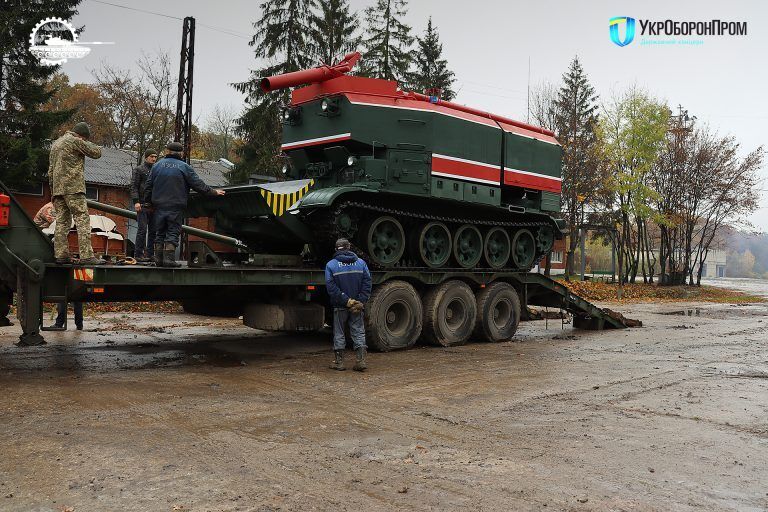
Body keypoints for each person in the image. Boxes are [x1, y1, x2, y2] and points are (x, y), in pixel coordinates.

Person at [145, 141, 225, 267]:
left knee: (159, 231)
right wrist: (214, 192)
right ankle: (169, 259)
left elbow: (148, 186)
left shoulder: (157, 166)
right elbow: (198, 185)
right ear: (181, 153)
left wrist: (148, 203)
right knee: (172, 231)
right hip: (175, 206)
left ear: (167, 152)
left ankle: (158, 259)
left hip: (159, 206)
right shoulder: (184, 167)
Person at [48, 122, 105, 265]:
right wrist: (83, 142)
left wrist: (53, 191)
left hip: (58, 190)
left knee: (62, 222)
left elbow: (50, 170)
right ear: (82, 136)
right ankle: (87, 256)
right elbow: (97, 153)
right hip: (73, 188)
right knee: (82, 219)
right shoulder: (74, 141)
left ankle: (61, 255)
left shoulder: (56, 144)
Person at [33, 203, 84, 330]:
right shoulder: (50, 208)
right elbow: (59, 225)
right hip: (44, 242)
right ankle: (68, 322)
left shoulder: (59, 208)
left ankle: (76, 323)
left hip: (52, 243)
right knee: (64, 291)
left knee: (72, 291)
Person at [325, 238, 372, 371]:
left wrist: (346, 301)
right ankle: (360, 361)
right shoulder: (361, 263)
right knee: (358, 331)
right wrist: (359, 301)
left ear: (336, 249)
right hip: (357, 305)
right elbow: (367, 282)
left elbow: (331, 288)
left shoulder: (331, 265)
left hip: (340, 305)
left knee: (339, 333)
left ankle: (339, 363)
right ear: (349, 247)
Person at [131, 149, 159, 262]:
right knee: (142, 230)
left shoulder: (157, 170)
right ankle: (138, 254)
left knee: (153, 231)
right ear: (146, 157)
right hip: (142, 204)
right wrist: (136, 201)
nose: (154, 159)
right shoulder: (139, 169)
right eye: (152, 156)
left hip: (154, 205)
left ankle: (150, 254)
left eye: (155, 157)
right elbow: (134, 186)